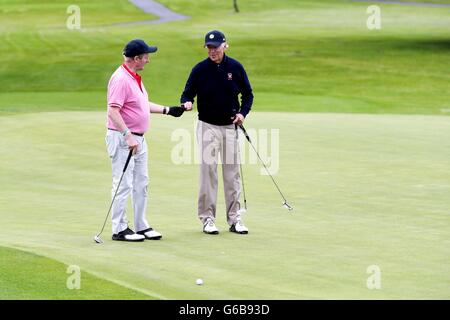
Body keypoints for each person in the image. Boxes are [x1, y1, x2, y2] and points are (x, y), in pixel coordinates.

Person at [106, 39, 186, 242]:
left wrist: (168, 110)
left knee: (142, 183)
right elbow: (113, 111)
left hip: (138, 139)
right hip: (124, 138)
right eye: (146, 56)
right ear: (136, 58)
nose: (148, 60)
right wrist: (127, 135)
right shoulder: (121, 79)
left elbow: (140, 105)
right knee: (123, 183)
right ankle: (119, 229)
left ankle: (141, 225)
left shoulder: (133, 78)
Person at [180, 30, 254, 235]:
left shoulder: (236, 68)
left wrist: (243, 113)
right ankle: (207, 219)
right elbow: (187, 93)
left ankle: (234, 219)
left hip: (230, 127)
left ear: (225, 46)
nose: (212, 51)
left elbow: (248, 95)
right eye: (209, 48)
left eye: (216, 47)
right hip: (207, 127)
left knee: (232, 174)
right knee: (208, 173)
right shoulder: (200, 69)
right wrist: (186, 102)